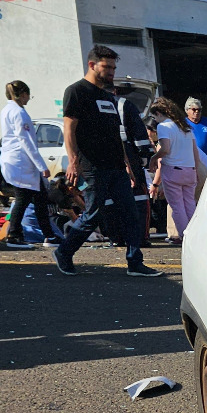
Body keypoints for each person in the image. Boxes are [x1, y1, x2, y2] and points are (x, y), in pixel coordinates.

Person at [52, 45, 160, 277]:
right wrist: (73, 162)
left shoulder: (108, 97)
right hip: (92, 167)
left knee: (131, 214)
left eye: (113, 67)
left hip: (116, 167)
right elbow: (69, 129)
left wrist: (128, 166)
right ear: (92, 65)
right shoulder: (77, 91)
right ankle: (64, 251)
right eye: (107, 66)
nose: (111, 71)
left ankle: (134, 263)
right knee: (93, 215)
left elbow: (115, 135)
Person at [0, 80, 56, 248]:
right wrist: (42, 166)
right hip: (22, 162)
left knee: (39, 199)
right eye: (28, 95)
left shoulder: (7, 110)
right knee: (23, 199)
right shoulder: (19, 113)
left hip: (15, 161)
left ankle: (49, 236)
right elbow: (27, 141)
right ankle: (14, 235)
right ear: (23, 94)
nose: (29, 99)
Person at [149, 96, 199, 242]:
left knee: (177, 206)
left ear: (159, 113)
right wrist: (196, 170)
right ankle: (196, 234)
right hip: (190, 170)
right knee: (190, 203)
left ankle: (186, 237)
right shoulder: (185, 127)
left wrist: (153, 158)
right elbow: (195, 151)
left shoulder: (163, 126)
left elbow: (165, 149)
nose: (155, 120)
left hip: (173, 170)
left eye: (154, 116)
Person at [186, 97, 207, 161]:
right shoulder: (182, 124)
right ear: (187, 110)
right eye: (194, 109)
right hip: (191, 162)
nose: (197, 112)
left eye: (199, 110)